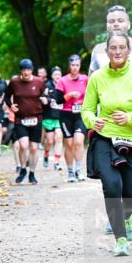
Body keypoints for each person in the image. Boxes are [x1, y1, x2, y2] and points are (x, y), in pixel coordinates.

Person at [82, 32, 132, 256]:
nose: (117, 52)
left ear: (128, 51)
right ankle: (120, 239)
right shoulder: (97, 77)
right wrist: (92, 121)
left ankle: (126, 216)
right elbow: (87, 108)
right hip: (105, 138)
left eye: (121, 48)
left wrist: (130, 118)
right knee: (112, 185)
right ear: (106, 53)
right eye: (113, 48)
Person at [4, 59, 48, 185]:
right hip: (20, 119)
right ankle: (23, 169)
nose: (26, 72)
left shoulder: (39, 82)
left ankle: (32, 173)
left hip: (36, 119)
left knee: (34, 148)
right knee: (23, 146)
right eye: (24, 70)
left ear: (32, 70)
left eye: (28, 70)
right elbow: (6, 96)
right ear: (20, 71)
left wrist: (46, 100)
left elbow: (47, 96)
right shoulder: (14, 82)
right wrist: (11, 105)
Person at [56, 54, 89, 182]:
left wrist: (84, 103)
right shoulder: (62, 81)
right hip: (66, 114)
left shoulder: (85, 79)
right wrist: (68, 95)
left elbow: (92, 96)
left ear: (80, 66)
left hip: (80, 114)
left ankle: (78, 170)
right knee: (69, 144)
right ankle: (70, 172)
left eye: (77, 65)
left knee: (79, 142)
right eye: (73, 65)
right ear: (69, 66)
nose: (75, 68)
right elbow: (58, 100)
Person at [42, 66, 64, 171]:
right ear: (52, 76)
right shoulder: (47, 85)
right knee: (49, 141)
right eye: (55, 74)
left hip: (60, 115)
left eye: (59, 74)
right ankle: (46, 154)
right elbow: (41, 98)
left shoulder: (64, 85)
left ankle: (57, 162)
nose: (57, 76)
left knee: (59, 137)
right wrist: (45, 98)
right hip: (48, 115)